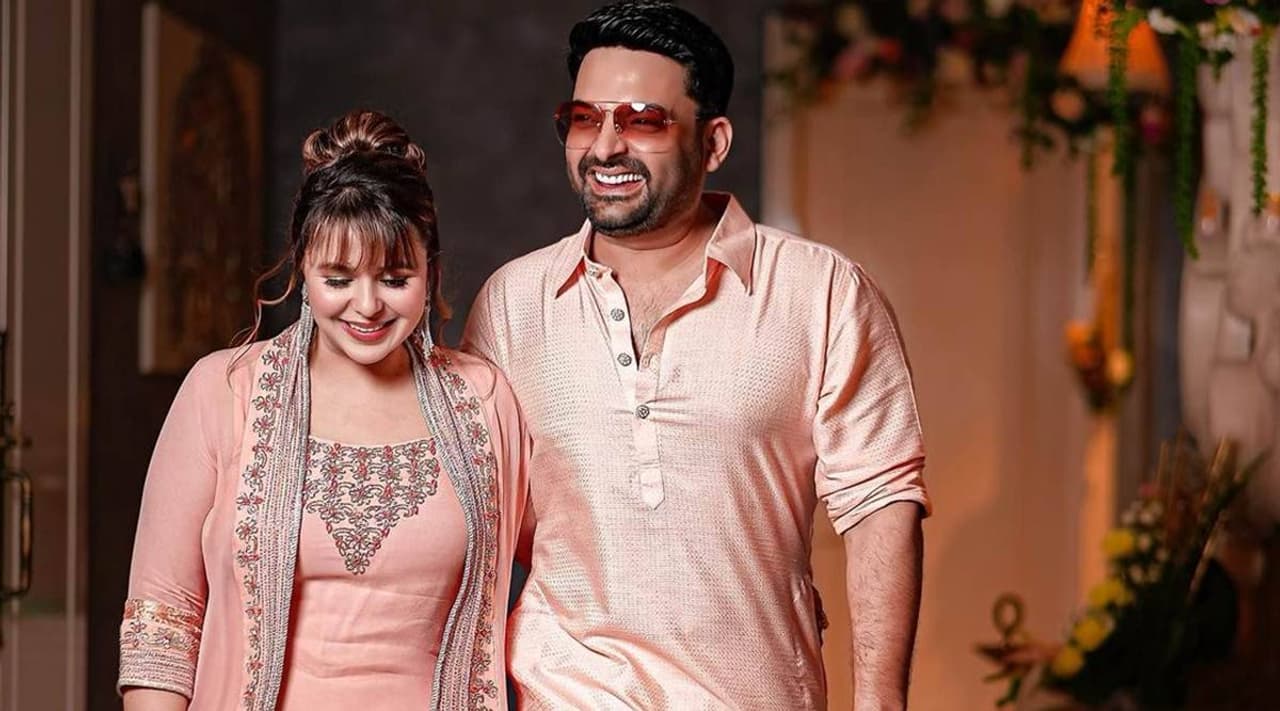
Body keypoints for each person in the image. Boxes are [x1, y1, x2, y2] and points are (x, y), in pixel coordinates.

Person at [463, 2, 931, 708]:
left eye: (643, 120)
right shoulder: (513, 302)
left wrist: (881, 702)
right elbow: (472, 518)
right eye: (585, 119)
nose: (605, 147)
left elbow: (881, 502)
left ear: (713, 142)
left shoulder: (821, 292)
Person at [119, 109, 528, 711]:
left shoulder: (484, 400)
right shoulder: (224, 391)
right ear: (302, 268)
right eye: (338, 278)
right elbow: (162, 621)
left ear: (431, 271)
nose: (367, 306)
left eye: (395, 278)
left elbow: (566, 566)